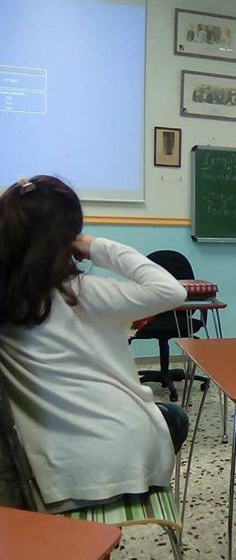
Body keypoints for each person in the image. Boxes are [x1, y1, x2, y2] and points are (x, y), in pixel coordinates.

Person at [0, 175, 189, 512]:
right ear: (70, 237)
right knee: (174, 416)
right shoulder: (88, 292)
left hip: (54, 479)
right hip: (127, 461)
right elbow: (171, 290)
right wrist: (97, 246)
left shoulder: (6, 304)